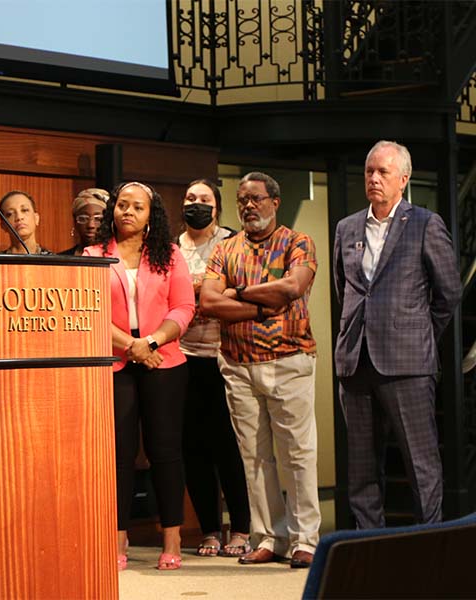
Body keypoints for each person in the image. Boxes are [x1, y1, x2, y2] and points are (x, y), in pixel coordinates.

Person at [333, 140, 461, 528]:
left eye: (382, 172)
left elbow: (449, 292)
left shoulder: (424, 223)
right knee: (361, 470)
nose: (373, 178)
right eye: (369, 171)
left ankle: (430, 548)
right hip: (356, 361)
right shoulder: (347, 227)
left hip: (407, 362)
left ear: (403, 179)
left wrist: (417, 330)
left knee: (420, 465)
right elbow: (345, 290)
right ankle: (371, 549)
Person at [200, 171, 321, 569]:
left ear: (274, 201)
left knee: (297, 455)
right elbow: (209, 303)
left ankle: (306, 540)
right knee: (254, 458)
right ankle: (270, 536)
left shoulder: (297, 242)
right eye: (242, 200)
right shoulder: (225, 249)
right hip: (238, 366)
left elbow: (292, 288)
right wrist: (257, 304)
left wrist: (236, 292)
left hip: (289, 361)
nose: (248, 206)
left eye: (255, 198)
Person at [84, 181, 194, 571]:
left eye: (138, 207)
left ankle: (172, 537)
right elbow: (91, 310)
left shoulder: (171, 254)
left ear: (151, 216)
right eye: (122, 205)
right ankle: (118, 538)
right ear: (112, 210)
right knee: (119, 455)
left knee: (165, 452)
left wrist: (150, 341)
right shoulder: (93, 254)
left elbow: (183, 307)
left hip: (162, 359)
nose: (128, 212)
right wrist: (130, 346)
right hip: (115, 361)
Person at [176, 179, 251, 558]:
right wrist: (203, 290)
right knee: (193, 448)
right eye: (191, 199)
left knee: (229, 445)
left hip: (226, 356)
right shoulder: (172, 248)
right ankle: (208, 529)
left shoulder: (233, 243)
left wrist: (199, 291)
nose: (197, 204)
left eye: (204, 199)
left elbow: (243, 289)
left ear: (217, 207)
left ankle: (240, 527)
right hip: (184, 358)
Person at [0, 190, 53, 254]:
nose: (19, 217)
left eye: (24, 210)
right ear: (3, 225)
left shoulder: (55, 261)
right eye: (10, 214)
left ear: (36, 218)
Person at [59, 187, 108, 255]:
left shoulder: (117, 259)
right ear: (75, 221)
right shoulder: (61, 259)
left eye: (98, 219)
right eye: (83, 218)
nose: (91, 225)